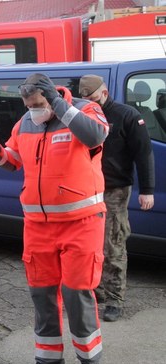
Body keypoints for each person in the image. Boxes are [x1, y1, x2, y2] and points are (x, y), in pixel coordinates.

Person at [0, 73, 109, 364]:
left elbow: (95, 137)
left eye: (38, 104)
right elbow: (13, 161)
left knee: (77, 292)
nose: (33, 111)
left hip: (81, 222)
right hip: (38, 225)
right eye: (28, 105)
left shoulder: (84, 110)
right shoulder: (25, 122)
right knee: (42, 294)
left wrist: (58, 104)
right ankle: (49, 361)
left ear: (51, 97)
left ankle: (89, 360)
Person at [79, 75, 155, 322]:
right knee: (89, 244)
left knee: (113, 244)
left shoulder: (126, 115)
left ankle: (114, 300)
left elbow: (143, 153)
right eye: (85, 99)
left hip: (114, 189)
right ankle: (96, 291)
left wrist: (147, 190)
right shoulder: (80, 114)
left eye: (92, 98)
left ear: (105, 92)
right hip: (88, 190)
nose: (90, 103)